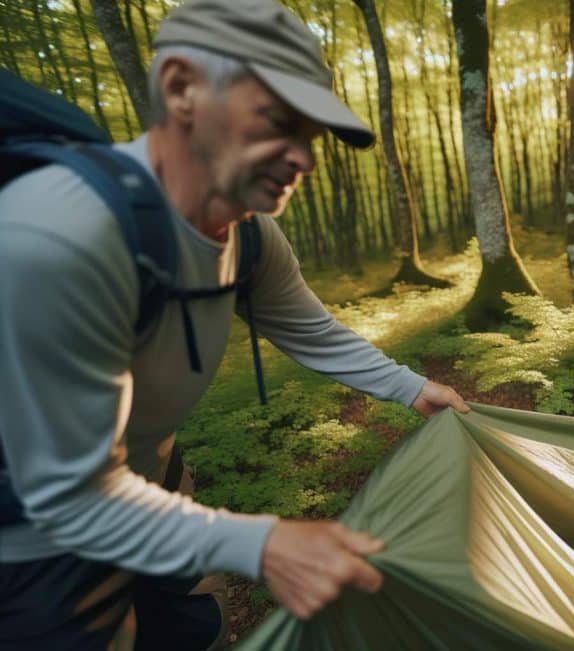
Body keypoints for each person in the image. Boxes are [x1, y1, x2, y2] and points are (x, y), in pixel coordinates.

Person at [0, 0, 469, 647]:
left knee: (197, 632)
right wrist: (265, 542)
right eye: (280, 121)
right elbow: (71, 496)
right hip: (31, 544)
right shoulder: (58, 237)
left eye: (312, 135)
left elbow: (310, 328)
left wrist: (412, 386)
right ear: (181, 89)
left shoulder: (249, 237)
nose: (303, 158)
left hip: (152, 479)